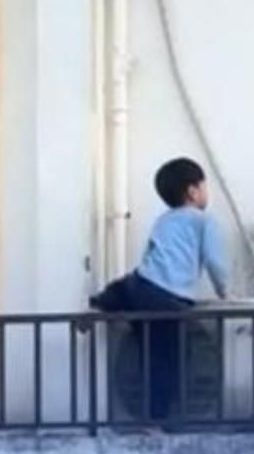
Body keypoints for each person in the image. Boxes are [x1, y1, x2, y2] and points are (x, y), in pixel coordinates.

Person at [91, 157, 229, 420]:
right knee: (166, 359)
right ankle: (157, 417)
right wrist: (224, 290)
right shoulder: (204, 221)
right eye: (204, 186)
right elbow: (214, 260)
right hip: (170, 299)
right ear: (193, 191)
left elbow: (150, 255)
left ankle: (100, 304)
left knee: (125, 295)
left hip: (141, 284)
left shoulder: (163, 220)